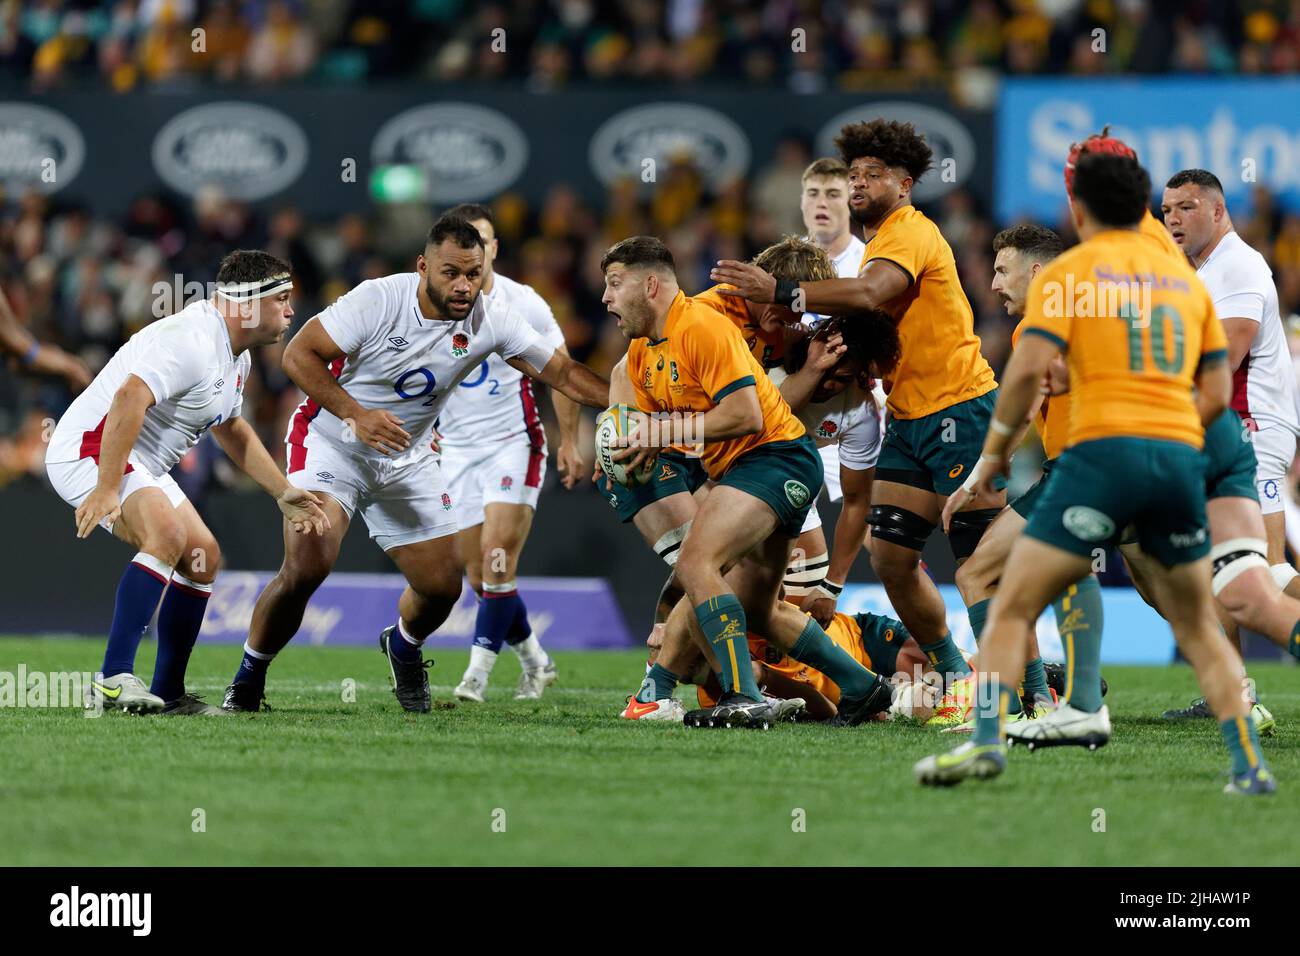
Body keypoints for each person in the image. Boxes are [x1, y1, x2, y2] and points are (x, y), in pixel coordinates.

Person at [915, 151, 1275, 796]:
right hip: (1176, 457)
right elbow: (1217, 385)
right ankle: (1248, 766)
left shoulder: (1070, 275)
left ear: (1079, 209)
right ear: (1142, 208)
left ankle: (988, 744)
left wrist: (990, 465)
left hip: (1099, 459)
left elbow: (1024, 378)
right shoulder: (1181, 278)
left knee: (1007, 594)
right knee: (1195, 620)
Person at [222, 215, 609, 714]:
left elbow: (564, 373)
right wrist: (357, 414)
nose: (464, 286)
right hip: (333, 442)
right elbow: (299, 356)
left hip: (408, 457)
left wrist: (633, 405)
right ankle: (248, 678)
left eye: (473, 273)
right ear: (424, 266)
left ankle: (403, 646)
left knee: (442, 587)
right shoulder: (379, 299)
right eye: (451, 273)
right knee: (308, 563)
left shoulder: (492, 319)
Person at [711, 118, 1002, 702]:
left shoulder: (910, 232)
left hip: (960, 408)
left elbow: (869, 294)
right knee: (892, 559)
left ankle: (1016, 694)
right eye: (853, 174)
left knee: (979, 564)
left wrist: (781, 292)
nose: (859, 183)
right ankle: (955, 672)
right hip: (909, 416)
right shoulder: (882, 242)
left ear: (906, 185)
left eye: (875, 174)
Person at [603, 236, 893, 729]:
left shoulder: (701, 324)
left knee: (698, 563)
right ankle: (865, 688)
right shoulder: (642, 356)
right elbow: (657, 426)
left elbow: (745, 414)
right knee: (757, 607)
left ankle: (740, 694)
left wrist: (662, 431)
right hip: (757, 466)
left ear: (650, 285)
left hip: (771, 458)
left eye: (614, 284)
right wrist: (632, 448)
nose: (606, 298)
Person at [44, 250, 330, 715]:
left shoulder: (235, 356)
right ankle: (113, 678)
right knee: (169, 536)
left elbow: (231, 429)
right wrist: (107, 487)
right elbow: (129, 396)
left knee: (202, 557)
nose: (290, 310)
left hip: (137, 457)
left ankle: (169, 693)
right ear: (248, 304)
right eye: (281, 299)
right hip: (92, 448)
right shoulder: (192, 339)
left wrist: (282, 491)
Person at [1154, 168, 1300, 722]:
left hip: (1250, 428)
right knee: (1223, 565)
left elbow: (1229, 354)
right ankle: (1233, 695)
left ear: (1219, 212)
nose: (1174, 218)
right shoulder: (1202, 270)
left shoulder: (1235, 264)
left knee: (1267, 572)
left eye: (1187, 207)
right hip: (1227, 427)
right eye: (1167, 209)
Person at [433, 203, 584, 703]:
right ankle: (536, 661)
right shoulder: (430, 304)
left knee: (498, 562)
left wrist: (568, 441)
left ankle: (475, 676)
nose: (476, 249)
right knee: (478, 574)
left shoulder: (526, 304)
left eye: (484, 240)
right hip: (454, 453)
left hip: (512, 445)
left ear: (493, 249)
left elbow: (560, 371)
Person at [940, 224, 1084, 727]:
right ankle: (1043, 701)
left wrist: (978, 474)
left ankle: (1003, 705)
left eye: (1003, 271)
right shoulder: (1093, 309)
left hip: (1079, 473)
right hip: (1135, 467)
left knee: (975, 573)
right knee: (1175, 594)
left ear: (1037, 271)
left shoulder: (1038, 325)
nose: (995, 284)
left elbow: (1023, 409)